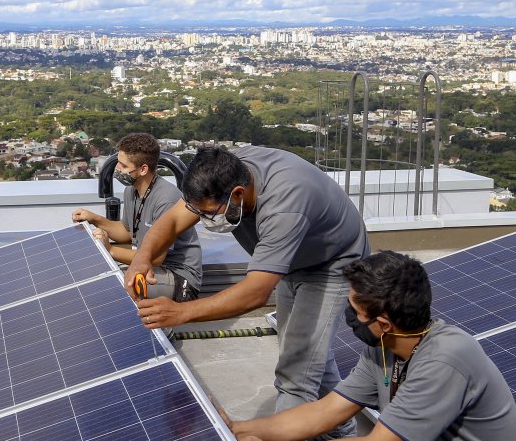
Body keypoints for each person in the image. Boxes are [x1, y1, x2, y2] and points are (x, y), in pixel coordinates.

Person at [125, 145, 369, 438]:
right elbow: (175, 219)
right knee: (308, 349)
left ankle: (311, 430)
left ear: (238, 194)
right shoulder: (223, 170)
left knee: (295, 375)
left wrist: (181, 312)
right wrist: (142, 257)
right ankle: (341, 430)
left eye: (207, 213)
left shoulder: (284, 205)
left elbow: (256, 293)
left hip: (331, 262)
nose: (202, 220)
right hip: (293, 259)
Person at [229, 250, 516, 441]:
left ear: (383, 324)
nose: (349, 315)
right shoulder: (384, 348)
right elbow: (326, 411)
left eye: (354, 309)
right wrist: (238, 428)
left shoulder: (444, 360)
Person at [72, 133, 202, 302]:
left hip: (178, 278)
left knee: (109, 286)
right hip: (150, 266)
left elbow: (155, 259)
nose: (117, 168)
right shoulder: (132, 189)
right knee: (91, 272)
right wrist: (93, 219)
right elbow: (127, 232)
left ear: (143, 169)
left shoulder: (165, 199)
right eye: (118, 162)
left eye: (124, 166)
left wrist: (110, 250)